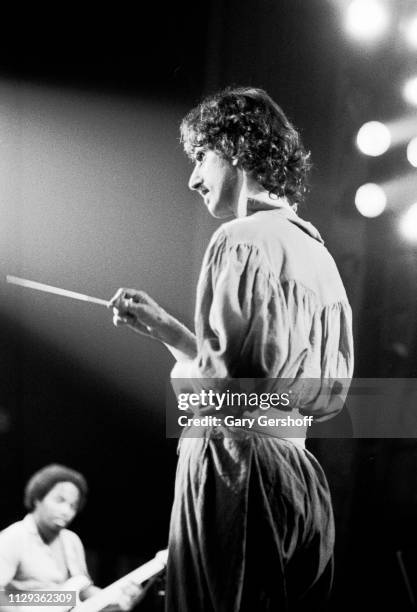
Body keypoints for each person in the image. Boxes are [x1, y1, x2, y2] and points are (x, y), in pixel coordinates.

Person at [110, 87, 354, 611]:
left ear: (238, 147)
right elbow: (272, 393)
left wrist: (185, 381)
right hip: (299, 477)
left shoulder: (239, 239)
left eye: (201, 156)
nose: (194, 178)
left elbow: (224, 398)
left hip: (235, 470)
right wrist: (174, 334)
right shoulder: (324, 262)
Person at [0, 464, 142, 611]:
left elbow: (81, 593)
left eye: (73, 506)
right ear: (37, 498)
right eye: (60, 500)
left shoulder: (71, 540)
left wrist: (118, 599)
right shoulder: (13, 537)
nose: (66, 511)